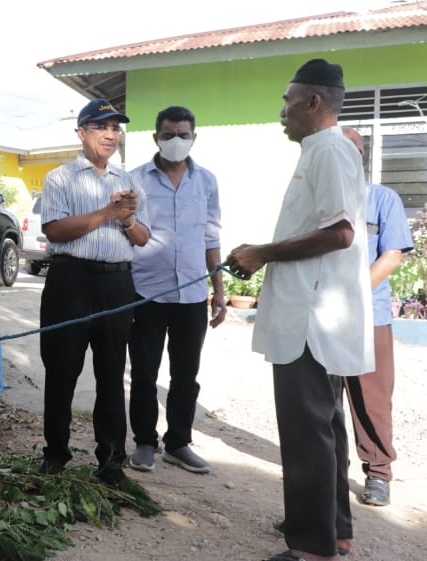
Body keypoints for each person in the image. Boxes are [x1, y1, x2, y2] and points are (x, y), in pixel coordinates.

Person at [227, 59, 373, 561]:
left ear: (313, 102)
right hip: (317, 317)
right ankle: (333, 529)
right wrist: (260, 252)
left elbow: (340, 233)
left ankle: (313, 548)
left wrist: (262, 252)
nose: (281, 110)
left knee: (307, 432)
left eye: (288, 100)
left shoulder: (330, 149)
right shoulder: (322, 150)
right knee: (324, 427)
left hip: (311, 321)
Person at [37, 98, 150, 486]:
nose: (110, 135)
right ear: (82, 132)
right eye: (102, 127)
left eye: (116, 128)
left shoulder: (128, 182)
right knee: (62, 372)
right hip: (71, 282)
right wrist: (106, 213)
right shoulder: (60, 178)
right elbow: (54, 231)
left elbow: (142, 238)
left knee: (111, 373)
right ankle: (55, 455)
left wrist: (128, 217)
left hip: (117, 284)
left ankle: (111, 461)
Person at [126, 105, 226, 475]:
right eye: (168, 135)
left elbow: (211, 235)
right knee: (144, 373)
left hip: (191, 295)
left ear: (193, 138)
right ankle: (145, 443)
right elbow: (127, 232)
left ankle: (179, 442)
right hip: (146, 293)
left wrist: (218, 289)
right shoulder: (135, 179)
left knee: (186, 374)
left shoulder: (207, 182)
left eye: (183, 135)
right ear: (156, 138)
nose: (176, 141)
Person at [341, 126, 414, 507]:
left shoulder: (382, 198)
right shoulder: (318, 199)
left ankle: (379, 472)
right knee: (323, 401)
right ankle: (331, 472)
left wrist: (351, 293)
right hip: (324, 320)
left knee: (372, 398)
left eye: (349, 148)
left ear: (361, 154)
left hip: (368, 316)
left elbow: (392, 255)